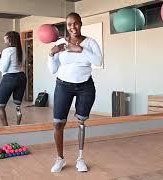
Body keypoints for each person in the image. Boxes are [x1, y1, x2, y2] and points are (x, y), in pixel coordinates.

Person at [48, 12, 103, 173]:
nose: (73, 27)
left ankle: (80, 159)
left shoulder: (90, 43)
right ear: (67, 26)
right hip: (63, 86)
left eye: (76, 23)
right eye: (69, 24)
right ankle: (60, 159)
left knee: (81, 122)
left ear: (81, 23)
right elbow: (53, 70)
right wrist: (51, 54)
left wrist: (78, 49)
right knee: (58, 123)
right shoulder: (60, 43)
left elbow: (98, 61)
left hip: (85, 86)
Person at [0, 31, 27, 126]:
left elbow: (3, 69)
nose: (4, 40)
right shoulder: (22, 50)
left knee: (0, 106)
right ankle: (17, 126)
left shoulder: (7, 51)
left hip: (9, 78)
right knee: (17, 106)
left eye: (5, 38)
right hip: (21, 77)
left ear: (9, 38)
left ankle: (6, 128)